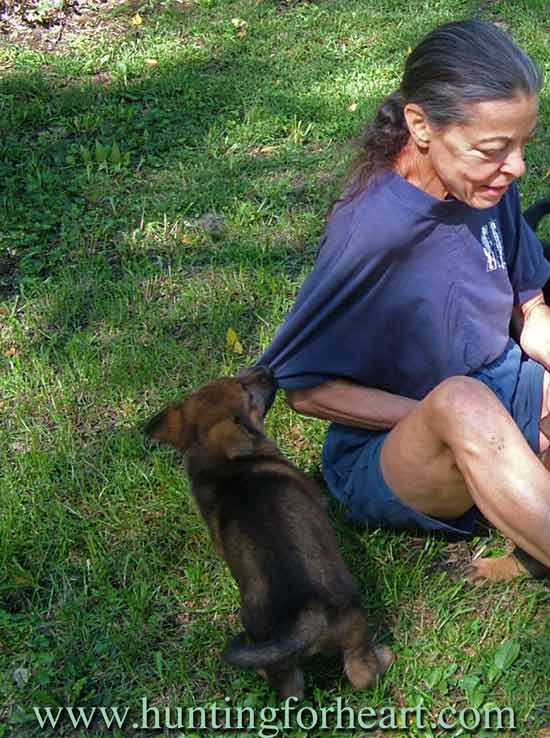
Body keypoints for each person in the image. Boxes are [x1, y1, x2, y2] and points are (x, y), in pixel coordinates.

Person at [259, 19, 550, 582]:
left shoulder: (487, 186)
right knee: (461, 400)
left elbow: (530, 311)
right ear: (421, 125)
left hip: (502, 389)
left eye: (522, 145)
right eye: (494, 149)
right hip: (395, 449)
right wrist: (451, 423)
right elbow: (305, 388)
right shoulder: (371, 231)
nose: (515, 167)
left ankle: (530, 536)